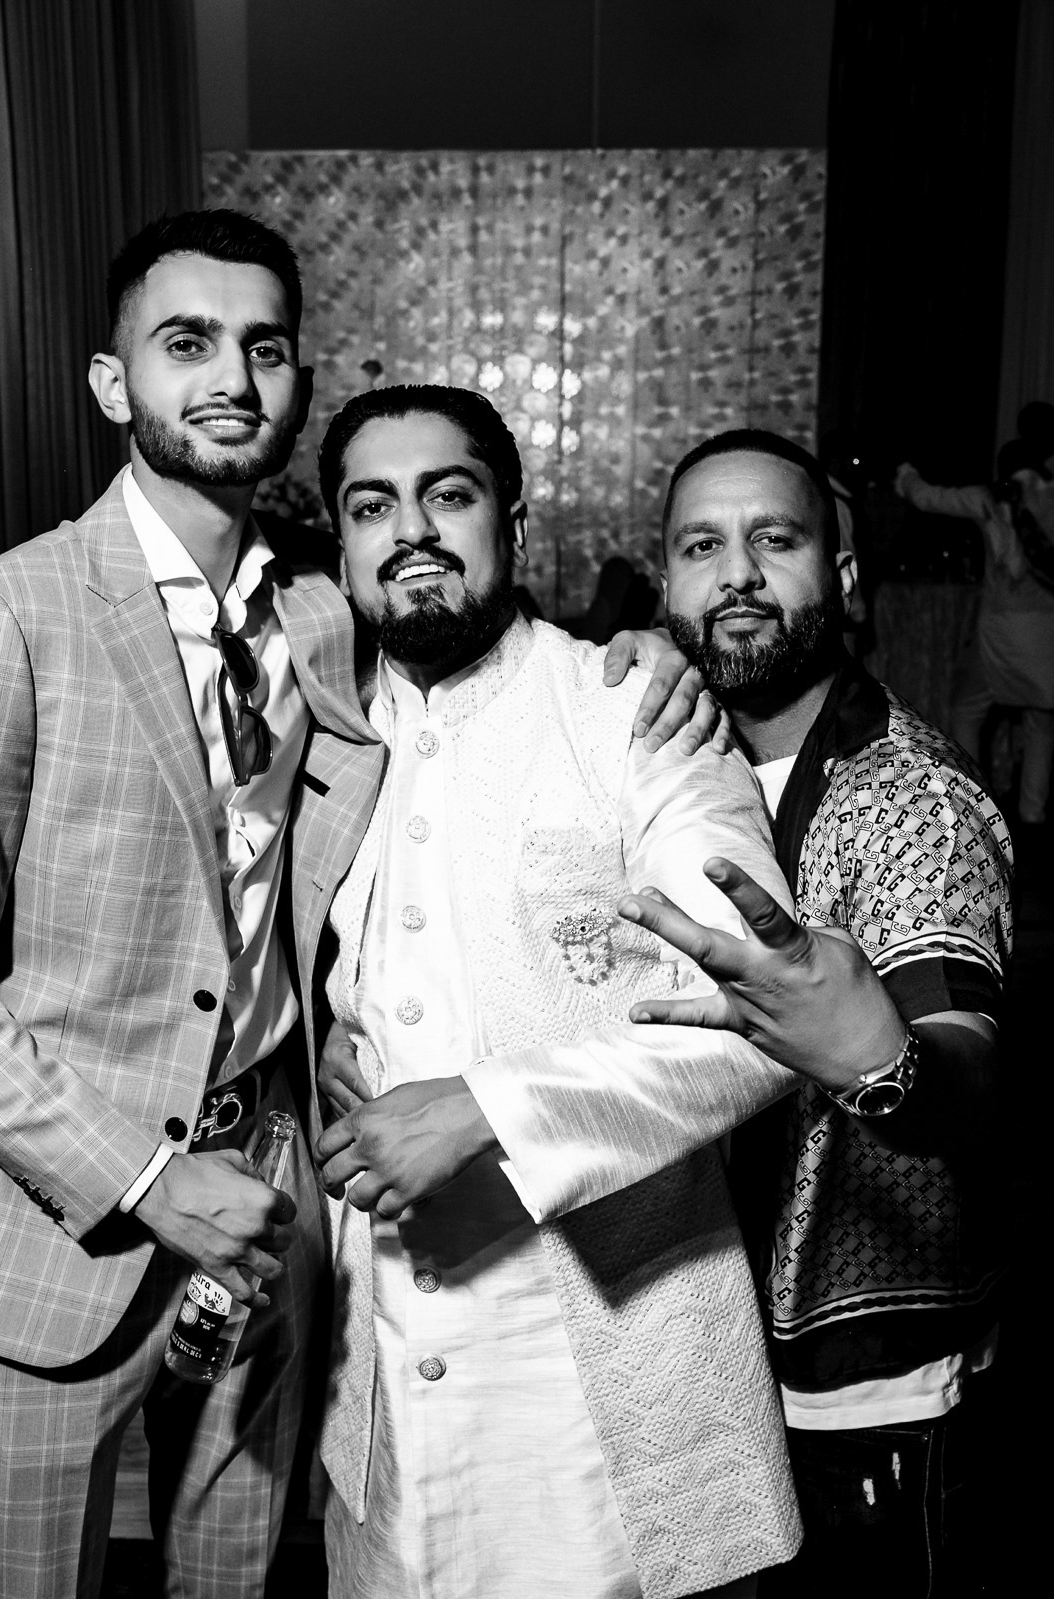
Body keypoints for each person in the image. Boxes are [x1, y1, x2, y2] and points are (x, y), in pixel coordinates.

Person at [0, 212, 714, 1599]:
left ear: (298, 381)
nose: (231, 376)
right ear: (115, 383)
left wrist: (650, 648)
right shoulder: (0, 615)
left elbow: (473, 630)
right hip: (62, 1233)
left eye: (265, 346)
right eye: (186, 343)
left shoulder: (322, 612)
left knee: (232, 1579)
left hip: (273, 1213)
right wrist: (140, 1173)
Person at [324, 426, 1015, 1595]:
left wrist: (889, 1063)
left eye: (776, 541)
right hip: (437, 1361)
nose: (737, 576)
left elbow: (959, 1056)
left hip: (846, 1360)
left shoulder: (907, 797)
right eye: (704, 546)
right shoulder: (628, 702)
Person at [307, 384, 803, 1598]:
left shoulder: (632, 711)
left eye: (449, 496)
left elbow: (763, 1012)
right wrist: (326, 1028)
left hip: (595, 1365)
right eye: (374, 506)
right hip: (374, 1365)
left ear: (513, 526)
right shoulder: (316, 736)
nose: (411, 530)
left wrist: (485, 1108)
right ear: (343, 546)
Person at [896, 422, 1054, 828]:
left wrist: (904, 470)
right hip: (1052, 634)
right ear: (1041, 465)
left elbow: (925, 497)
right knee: (1042, 727)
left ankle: (973, 808)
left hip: (1000, 631)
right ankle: (1032, 812)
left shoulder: (986, 500)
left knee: (967, 713)